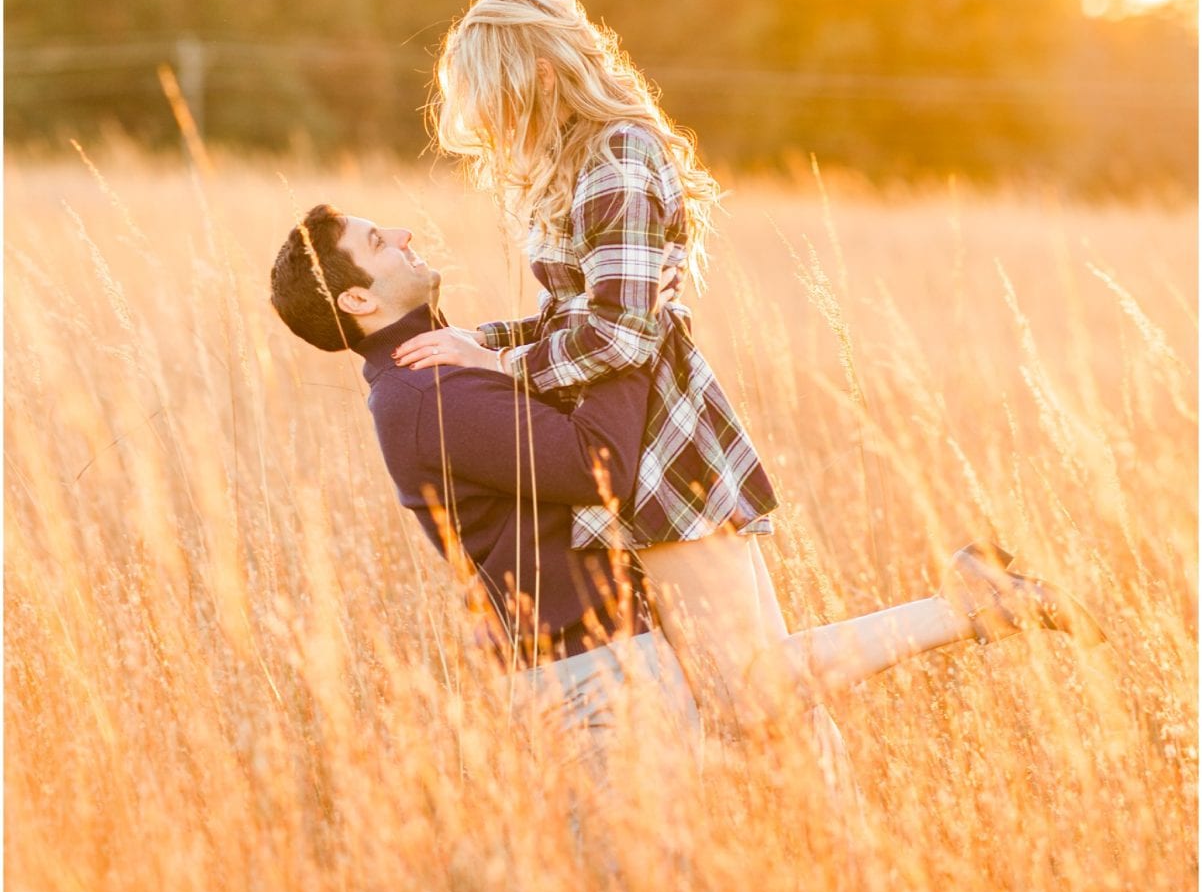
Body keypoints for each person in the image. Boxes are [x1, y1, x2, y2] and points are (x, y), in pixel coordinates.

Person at [390, 0, 1106, 732]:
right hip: (632, 431)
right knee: (760, 700)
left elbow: (621, 336)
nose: (486, 119)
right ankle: (843, 822)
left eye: (491, 92)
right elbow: (583, 311)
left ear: (540, 74)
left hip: (659, 439)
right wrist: (491, 340)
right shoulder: (584, 160)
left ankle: (966, 607)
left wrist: (498, 368)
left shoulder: (616, 159)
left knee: (749, 696)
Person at [269, 198, 1106, 781]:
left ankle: (972, 608)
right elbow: (591, 466)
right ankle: (968, 610)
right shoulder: (423, 395)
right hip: (587, 680)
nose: (406, 232)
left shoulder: (438, 364)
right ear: (356, 298)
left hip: (624, 654)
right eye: (380, 242)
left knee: (760, 704)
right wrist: (637, 331)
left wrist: (613, 319)